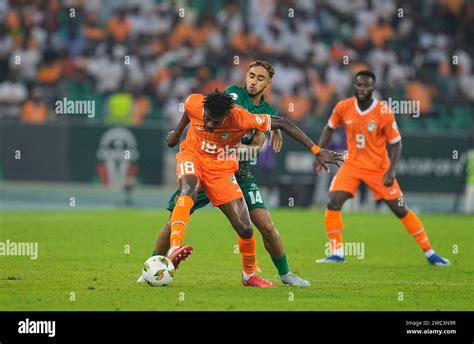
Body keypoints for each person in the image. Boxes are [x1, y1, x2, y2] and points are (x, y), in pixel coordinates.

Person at [146, 90, 343, 288]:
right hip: (192, 156)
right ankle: (175, 248)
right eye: (207, 118)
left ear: (227, 116)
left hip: (222, 168)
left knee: (245, 228)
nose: (209, 125)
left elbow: (283, 123)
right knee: (189, 188)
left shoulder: (241, 118)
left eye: (216, 122)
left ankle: (248, 276)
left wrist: (316, 150)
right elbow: (188, 113)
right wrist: (177, 134)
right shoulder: (194, 102)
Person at [315, 70, 450, 266]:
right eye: (359, 85)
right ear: (354, 86)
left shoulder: (383, 112)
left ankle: (430, 252)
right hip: (352, 164)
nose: (362, 89)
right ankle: (337, 253)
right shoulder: (343, 107)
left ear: (373, 87)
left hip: (378, 168)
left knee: (400, 209)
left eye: (366, 85)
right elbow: (329, 128)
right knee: (333, 201)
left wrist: (391, 170)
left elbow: (396, 143)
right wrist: (319, 153)